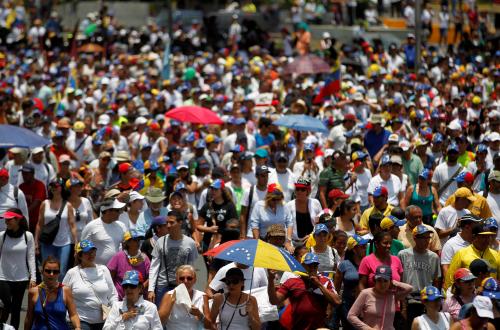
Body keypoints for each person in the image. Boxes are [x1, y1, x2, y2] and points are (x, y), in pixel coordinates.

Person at [268, 253, 341, 329]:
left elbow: (337, 301)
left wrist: (319, 285)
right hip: (297, 326)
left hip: (319, 327)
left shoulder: (326, 281)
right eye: (309, 266)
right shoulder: (292, 282)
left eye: (315, 266)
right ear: (301, 266)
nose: (312, 268)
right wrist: (270, 279)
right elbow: (274, 300)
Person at [63, 240, 118, 330]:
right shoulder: (72, 273)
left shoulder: (104, 270)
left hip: (104, 320)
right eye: (87, 253)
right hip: (80, 320)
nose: (91, 255)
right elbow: (63, 297)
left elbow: (112, 294)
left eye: (93, 251)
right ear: (80, 255)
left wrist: (114, 312)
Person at [148, 210, 198, 306]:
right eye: (167, 223)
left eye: (172, 222)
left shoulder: (190, 243)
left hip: (183, 286)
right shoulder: (160, 242)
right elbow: (154, 267)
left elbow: (191, 269)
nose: (168, 225)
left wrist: (191, 289)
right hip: (163, 287)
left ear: (180, 223)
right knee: (162, 316)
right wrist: (151, 290)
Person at [398, 225, 442, 325]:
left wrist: (435, 303)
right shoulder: (403, 255)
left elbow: (436, 281)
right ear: (415, 238)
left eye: (428, 237)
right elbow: (400, 280)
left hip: (427, 299)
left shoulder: (433, 257)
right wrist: (403, 305)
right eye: (423, 238)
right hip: (408, 299)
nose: (427, 241)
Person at [0, 208, 36, 329]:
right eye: (6, 219)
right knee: (7, 304)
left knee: (16, 309)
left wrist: (33, 277)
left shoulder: (28, 236)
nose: (7, 222)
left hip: (21, 278)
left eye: (10, 219)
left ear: (18, 220)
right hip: (3, 277)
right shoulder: (2, 236)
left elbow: (31, 257)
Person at [35, 178, 77, 279]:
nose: (53, 188)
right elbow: (39, 224)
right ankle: (47, 293)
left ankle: (59, 294)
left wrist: (76, 243)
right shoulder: (45, 203)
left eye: (56, 186)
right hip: (47, 242)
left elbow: (72, 225)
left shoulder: (68, 205)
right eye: (52, 185)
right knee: (47, 271)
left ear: (61, 188)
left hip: (64, 243)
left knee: (62, 272)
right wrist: (36, 242)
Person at [348, 265, 413, 329]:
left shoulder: (392, 295)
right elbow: (351, 316)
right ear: (375, 280)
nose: (382, 284)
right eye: (379, 280)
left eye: (385, 281)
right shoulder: (365, 293)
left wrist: (395, 282)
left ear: (390, 281)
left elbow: (409, 288)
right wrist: (367, 328)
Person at [24, 256, 81, 330]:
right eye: (48, 271)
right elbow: (29, 317)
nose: (51, 274)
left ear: (59, 273)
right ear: (42, 272)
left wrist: (77, 327)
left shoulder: (66, 291)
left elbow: (73, 314)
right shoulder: (33, 292)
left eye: (55, 272)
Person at [445, 223, 500, 290]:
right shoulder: (461, 254)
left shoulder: (496, 255)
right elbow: (451, 278)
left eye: (488, 237)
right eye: (483, 237)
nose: (487, 240)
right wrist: (453, 296)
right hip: (467, 296)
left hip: (491, 295)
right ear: (474, 237)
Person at [158, 265, 212, 329]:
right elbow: (159, 322)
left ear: (195, 280)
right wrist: (171, 302)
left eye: (189, 278)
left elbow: (209, 326)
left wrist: (199, 315)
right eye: (181, 278)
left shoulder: (202, 296)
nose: (185, 281)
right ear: (177, 280)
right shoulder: (169, 295)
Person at [334, 234, 369, 330]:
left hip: (366, 304)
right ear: (354, 249)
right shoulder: (344, 265)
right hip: (348, 304)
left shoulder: (369, 262)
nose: (365, 248)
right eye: (362, 246)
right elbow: (335, 289)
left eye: (365, 246)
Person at [81, 199, 127, 265]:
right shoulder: (91, 226)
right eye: (117, 210)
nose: (120, 212)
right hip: (96, 270)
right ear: (108, 211)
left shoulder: (122, 226)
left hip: (116, 268)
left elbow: (127, 246)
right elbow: (82, 248)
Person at [249, 183, 293, 252]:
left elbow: (289, 223)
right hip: (264, 241)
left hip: (282, 242)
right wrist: (257, 243)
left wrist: (288, 241)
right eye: (273, 199)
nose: (276, 201)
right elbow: (255, 226)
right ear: (268, 196)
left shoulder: (285, 206)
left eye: (278, 199)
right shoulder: (259, 206)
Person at [108, 231, 151, 300]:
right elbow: (110, 277)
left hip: (139, 298)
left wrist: (141, 287)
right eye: (134, 240)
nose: (137, 242)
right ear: (127, 242)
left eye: (138, 240)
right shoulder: (118, 256)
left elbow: (151, 277)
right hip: (120, 298)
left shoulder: (144, 258)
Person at [197, 179, 237, 252]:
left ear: (222, 190)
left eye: (215, 189)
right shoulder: (207, 205)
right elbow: (198, 225)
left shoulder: (229, 206)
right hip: (208, 242)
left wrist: (221, 234)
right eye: (211, 189)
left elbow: (234, 225)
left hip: (224, 242)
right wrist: (209, 229)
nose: (213, 191)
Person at [286, 177, 322, 246]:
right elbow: (285, 226)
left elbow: (320, 223)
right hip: (293, 244)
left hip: (312, 242)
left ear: (308, 191)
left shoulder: (315, 203)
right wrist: (288, 243)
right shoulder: (289, 205)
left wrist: (312, 235)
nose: (299, 192)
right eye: (297, 189)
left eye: (302, 189)